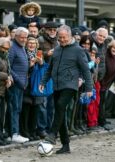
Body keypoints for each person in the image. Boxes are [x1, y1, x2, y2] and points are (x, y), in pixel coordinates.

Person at [40, 25, 93, 154]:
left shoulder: (78, 50)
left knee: (59, 106)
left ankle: (52, 134)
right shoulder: (56, 50)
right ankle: (65, 145)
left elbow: (86, 69)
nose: (62, 40)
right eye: (60, 37)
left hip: (70, 85)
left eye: (64, 37)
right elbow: (50, 68)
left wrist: (89, 87)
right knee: (60, 113)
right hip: (57, 85)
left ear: (70, 36)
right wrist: (43, 82)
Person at [7, 27, 30, 143]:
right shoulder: (12, 47)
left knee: (18, 108)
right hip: (15, 84)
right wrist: (19, 80)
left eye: (26, 37)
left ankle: (14, 132)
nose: (24, 39)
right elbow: (8, 67)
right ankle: (14, 133)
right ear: (16, 36)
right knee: (14, 108)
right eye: (22, 37)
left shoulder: (21, 48)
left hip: (21, 84)